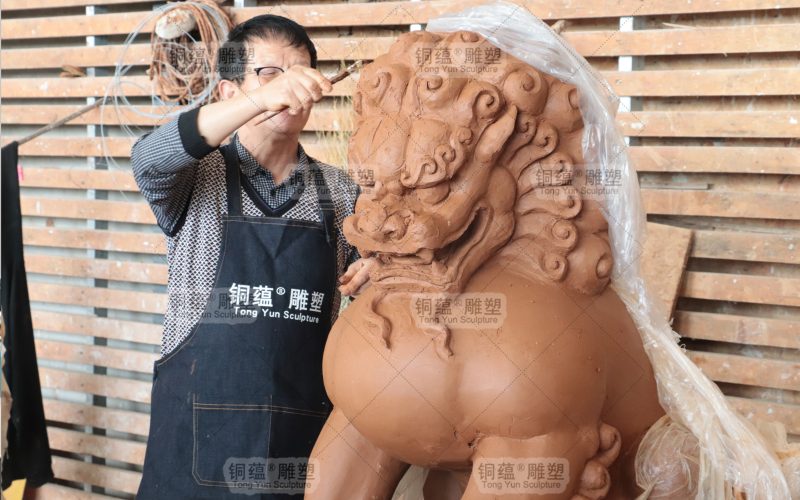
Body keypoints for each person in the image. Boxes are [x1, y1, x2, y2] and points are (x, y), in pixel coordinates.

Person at [132, 14, 373, 498]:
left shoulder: (342, 193)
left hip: (299, 439)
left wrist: (377, 272)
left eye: (298, 73)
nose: (287, 87)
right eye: (268, 73)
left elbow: (378, 278)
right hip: (192, 442)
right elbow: (148, 158)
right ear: (228, 92)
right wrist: (262, 101)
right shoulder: (195, 179)